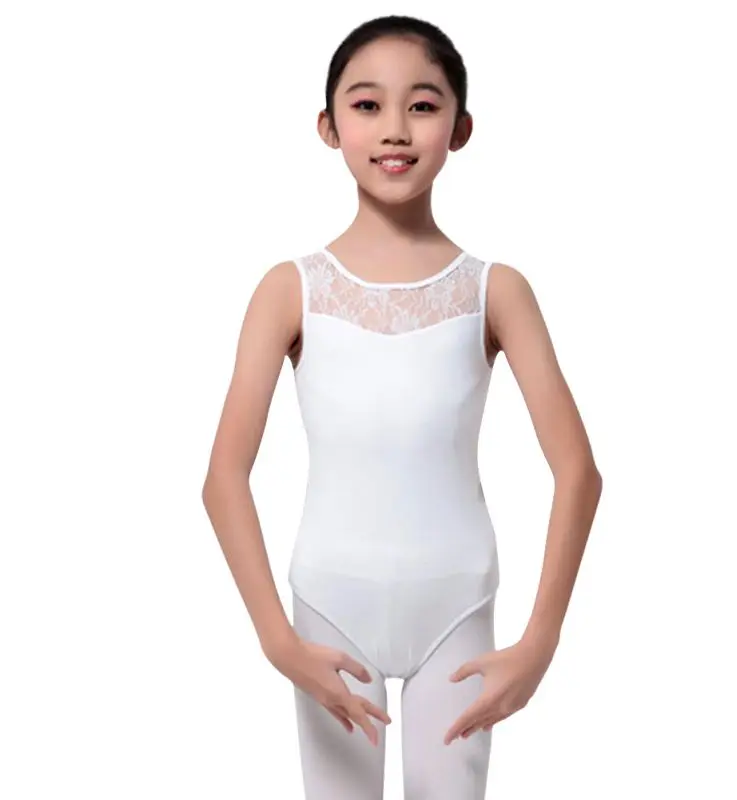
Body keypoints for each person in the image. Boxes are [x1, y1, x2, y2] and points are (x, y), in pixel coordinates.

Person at [201, 14, 602, 799]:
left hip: (456, 604)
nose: (394, 128)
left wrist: (541, 642)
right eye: (366, 104)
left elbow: (578, 472)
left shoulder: (495, 290)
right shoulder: (291, 289)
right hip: (329, 605)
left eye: (422, 105)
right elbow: (223, 477)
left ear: (461, 128)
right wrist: (277, 640)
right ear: (328, 127)